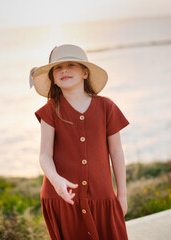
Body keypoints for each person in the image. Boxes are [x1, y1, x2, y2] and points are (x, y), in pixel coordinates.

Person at [30, 44, 129, 240]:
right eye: (57, 67)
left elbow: (116, 152)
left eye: (71, 65)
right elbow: (44, 155)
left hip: (102, 197)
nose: (63, 70)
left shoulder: (106, 107)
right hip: (62, 198)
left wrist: (122, 195)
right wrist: (57, 181)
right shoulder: (50, 110)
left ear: (85, 73)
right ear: (53, 78)